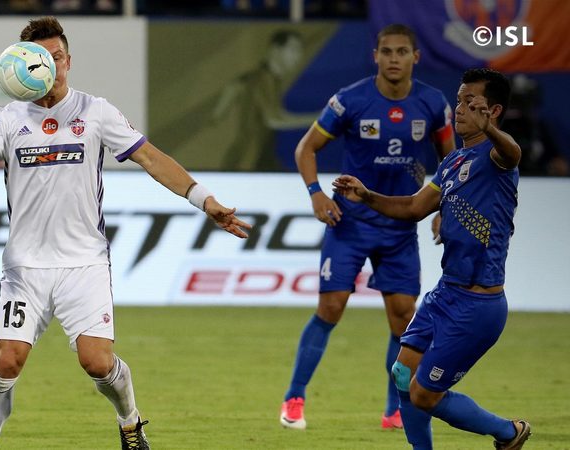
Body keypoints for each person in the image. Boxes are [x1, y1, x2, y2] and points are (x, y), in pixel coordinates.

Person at [0, 17, 252, 450]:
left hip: (84, 264)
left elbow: (151, 158)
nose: (50, 67)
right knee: (7, 361)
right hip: (25, 268)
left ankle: (130, 422)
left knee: (98, 363)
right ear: (23, 65)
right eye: (41, 59)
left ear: (69, 61)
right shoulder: (7, 117)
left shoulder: (95, 111)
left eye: (58, 58)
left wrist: (205, 200)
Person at [332, 67, 530, 450]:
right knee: (402, 374)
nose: (460, 109)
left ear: (493, 111)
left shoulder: (497, 158)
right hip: (446, 293)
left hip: (479, 305)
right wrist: (367, 196)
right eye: (458, 100)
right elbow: (413, 207)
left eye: (470, 102)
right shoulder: (453, 162)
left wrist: (489, 130)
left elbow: (513, 152)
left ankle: (509, 432)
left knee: (424, 394)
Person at [280, 24, 455, 430]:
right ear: (375, 56)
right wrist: (316, 193)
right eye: (386, 51)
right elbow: (306, 148)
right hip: (350, 223)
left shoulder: (432, 104)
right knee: (331, 307)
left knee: (402, 317)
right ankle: (294, 397)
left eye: (402, 52)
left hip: (400, 227)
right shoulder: (350, 100)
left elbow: (451, 162)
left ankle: (395, 409)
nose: (394, 58)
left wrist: (445, 209)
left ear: (416, 57)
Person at [211, 29, 320, 171]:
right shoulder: (263, 78)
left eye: (300, 50)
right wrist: (318, 119)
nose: (298, 56)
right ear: (275, 50)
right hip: (249, 162)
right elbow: (273, 119)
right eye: (293, 49)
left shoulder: (261, 78)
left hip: (258, 158)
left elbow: (219, 111)